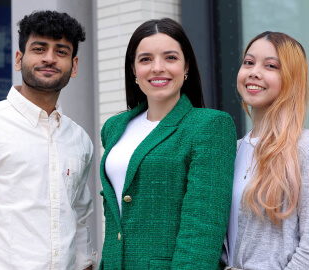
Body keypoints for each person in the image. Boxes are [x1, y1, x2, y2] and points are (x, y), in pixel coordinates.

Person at [0, 10, 95, 270]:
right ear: (19, 58)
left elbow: (77, 220)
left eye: (61, 52)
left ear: (74, 66)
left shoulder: (79, 139)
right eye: (39, 48)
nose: (49, 59)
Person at [99, 18, 236, 269]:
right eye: (145, 59)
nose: (157, 67)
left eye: (170, 58)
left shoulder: (210, 125)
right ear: (133, 70)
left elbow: (203, 227)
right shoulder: (114, 128)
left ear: (186, 67)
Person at [221, 31, 309, 270]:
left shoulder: (305, 147)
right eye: (248, 62)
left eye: (270, 66)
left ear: (291, 78)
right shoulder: (234, 149)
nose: (254, 72)